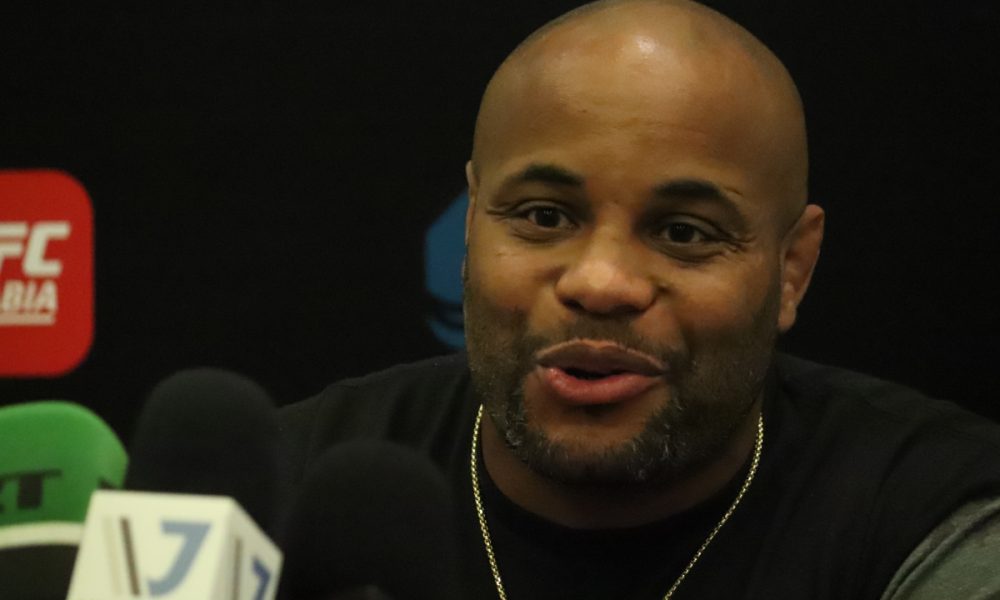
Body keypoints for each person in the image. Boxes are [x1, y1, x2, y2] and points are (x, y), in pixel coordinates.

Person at [279, 1, 1000, 598]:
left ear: (792, 269)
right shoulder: (274, 493)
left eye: (683, 232)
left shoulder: (931, 518)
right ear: (471, 229)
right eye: (544, 216)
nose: (599, 284)